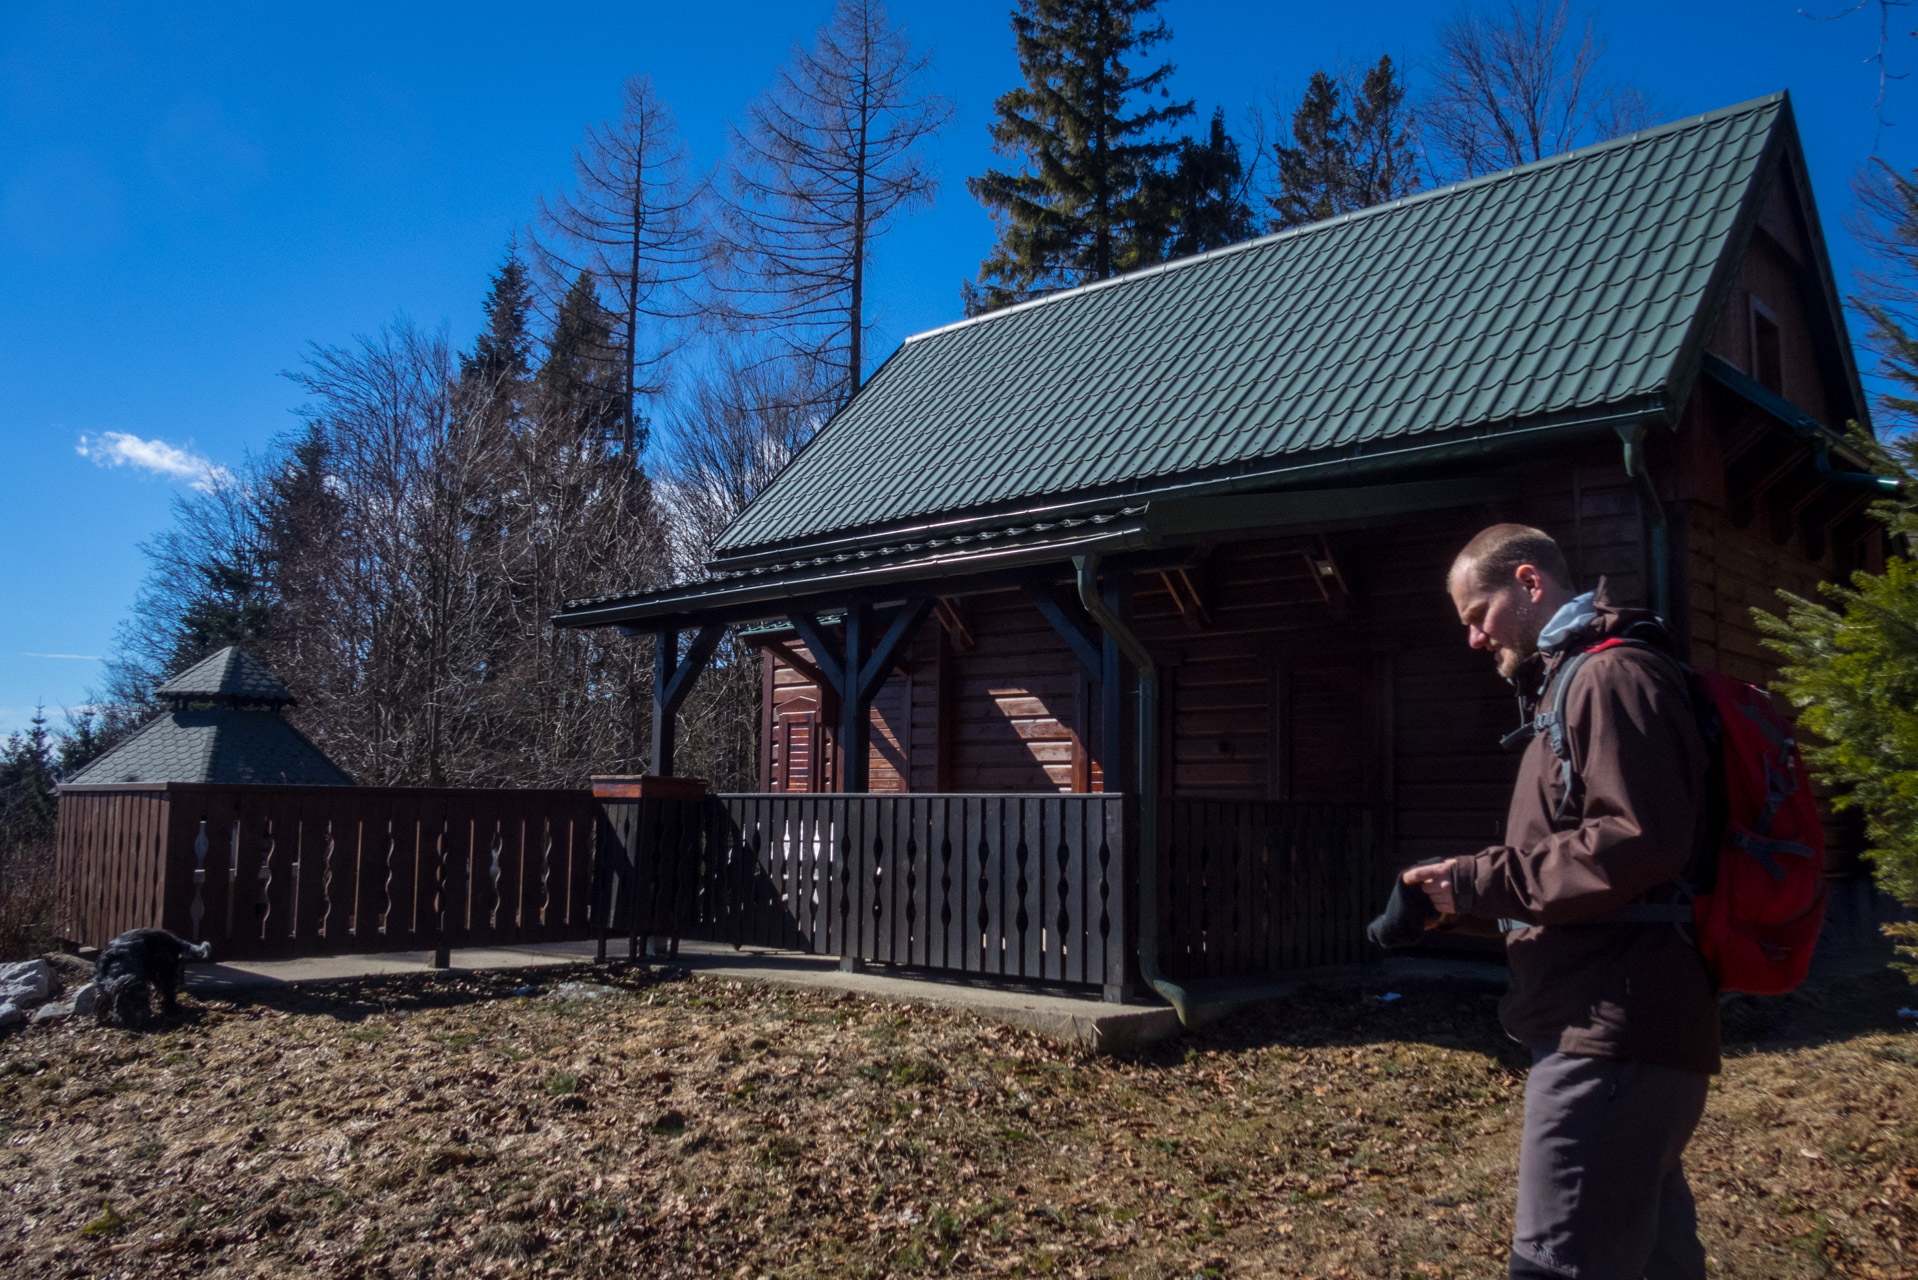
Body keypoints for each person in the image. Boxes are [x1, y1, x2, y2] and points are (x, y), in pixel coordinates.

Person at [1404, 523, 1717, 1280]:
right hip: (1621, 1028)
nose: (1475, 639)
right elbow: (1596, 859)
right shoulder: (1569, 684)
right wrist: (1465, 901)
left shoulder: (1611, 679)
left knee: (1556, 1267)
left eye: (1478, 615)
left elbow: (1637, 841)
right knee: (1653, 1263)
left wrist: (1480, 879)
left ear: (1529, 582)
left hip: (1608, 1031)